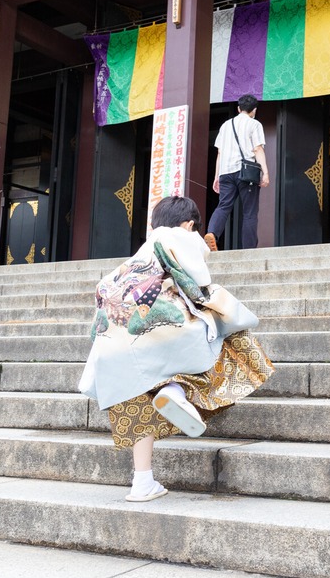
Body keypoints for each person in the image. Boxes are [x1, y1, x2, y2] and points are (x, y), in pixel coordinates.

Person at [79, 195, 274, 502]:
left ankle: (143, 481)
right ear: (189, 224)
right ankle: (175, 388)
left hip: (114, 341)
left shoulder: (134, 259)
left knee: (137, 395)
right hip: (157, 325)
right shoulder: (179, 237)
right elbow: (199, 281)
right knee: (224, 336)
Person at [207, 94, 269, 249]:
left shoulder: (225, 125)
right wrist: (265, 173)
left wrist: (216, 176)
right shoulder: (254, 124)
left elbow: (219, 153)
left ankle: (212, 233)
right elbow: (257, 149)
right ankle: (249, 249)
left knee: (223, 206)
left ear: (238, 108)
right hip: (246, 172)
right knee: (249, 212)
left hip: (225, 173)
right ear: (254, 110)